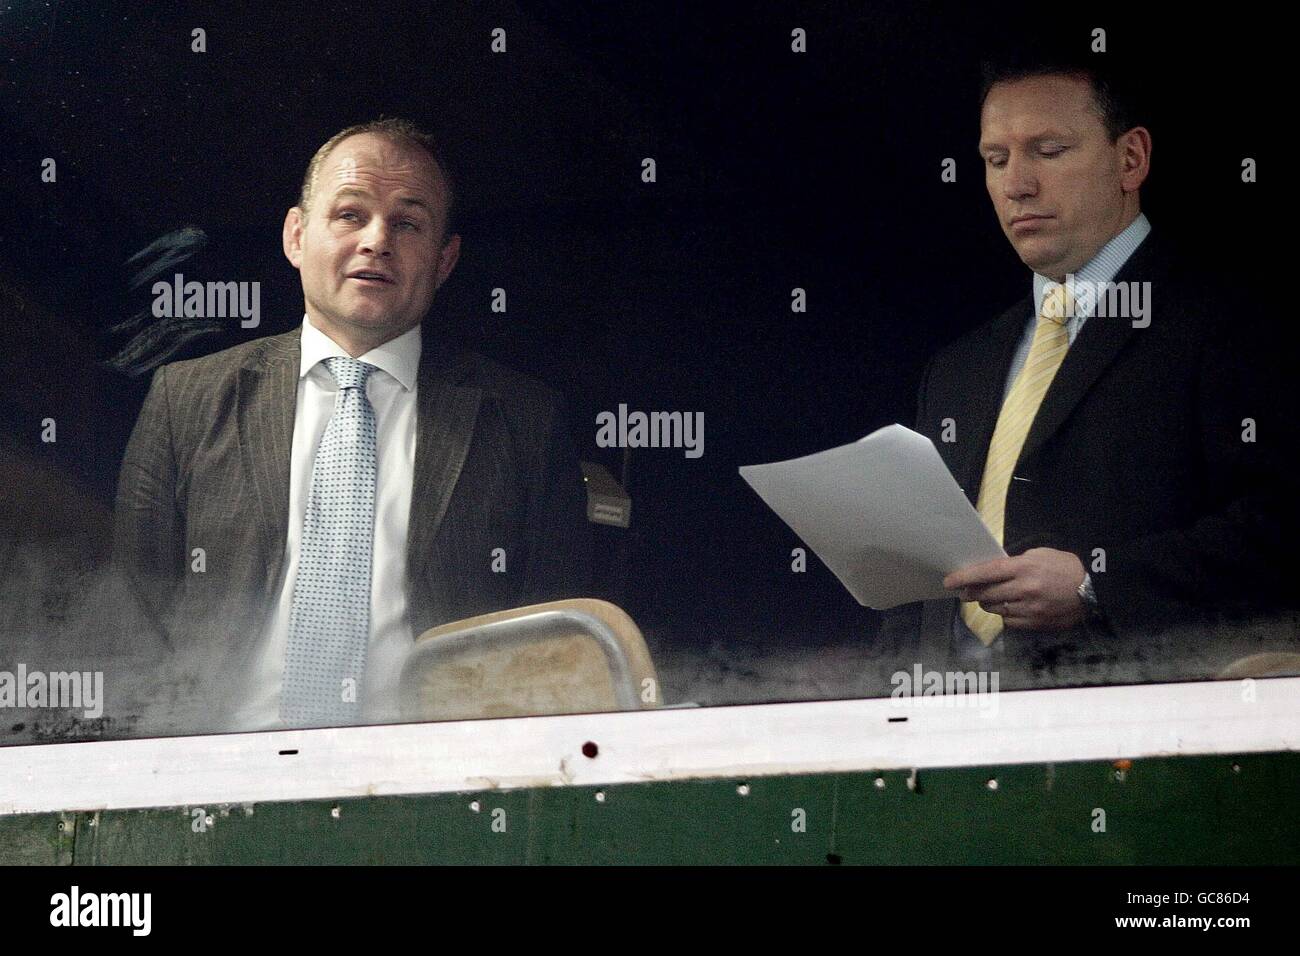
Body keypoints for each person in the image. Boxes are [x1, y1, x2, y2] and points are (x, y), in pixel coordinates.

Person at [112, 118, 591, 729]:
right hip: (219, 768)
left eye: (409, 223)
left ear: (446, 260)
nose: (377, 240)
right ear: (295, 235)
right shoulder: (187, 399)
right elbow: (135, 615)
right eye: (349, 215)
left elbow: (557, 642)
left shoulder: (524, 421)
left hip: (437, 780)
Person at [879, 54, 1296, 681]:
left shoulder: (1237, 322)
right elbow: (926, 591)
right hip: (954, 738)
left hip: (1153, 738)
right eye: (996, 161)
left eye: (1048, 151)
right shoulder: (958, 370)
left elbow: (1282, 525)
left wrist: (1097, 584)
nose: (1017, 184)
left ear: (1131, 160)